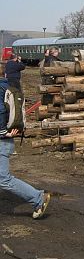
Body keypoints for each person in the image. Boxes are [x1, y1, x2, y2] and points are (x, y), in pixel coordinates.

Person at [1, 70, 51, 219]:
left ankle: (37, 198)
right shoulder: (7, 86)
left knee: (3, 179)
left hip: (2, 141)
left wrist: (2, 132)